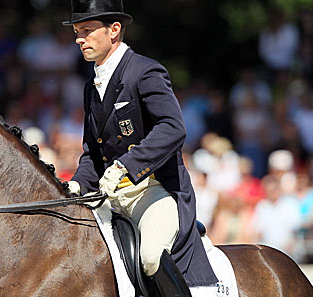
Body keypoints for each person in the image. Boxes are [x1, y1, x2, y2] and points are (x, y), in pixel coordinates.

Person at [63, 0, 218, 295]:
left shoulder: (145, 72)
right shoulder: (90, 86)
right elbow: (93, 153)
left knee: (149, 256)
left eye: (86, 30)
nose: (78, 39)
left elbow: (173, 128)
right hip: (110, 194)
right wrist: (76, 185)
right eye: (76, 32)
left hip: (154, 190)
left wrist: (125, 166)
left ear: (114, 30)